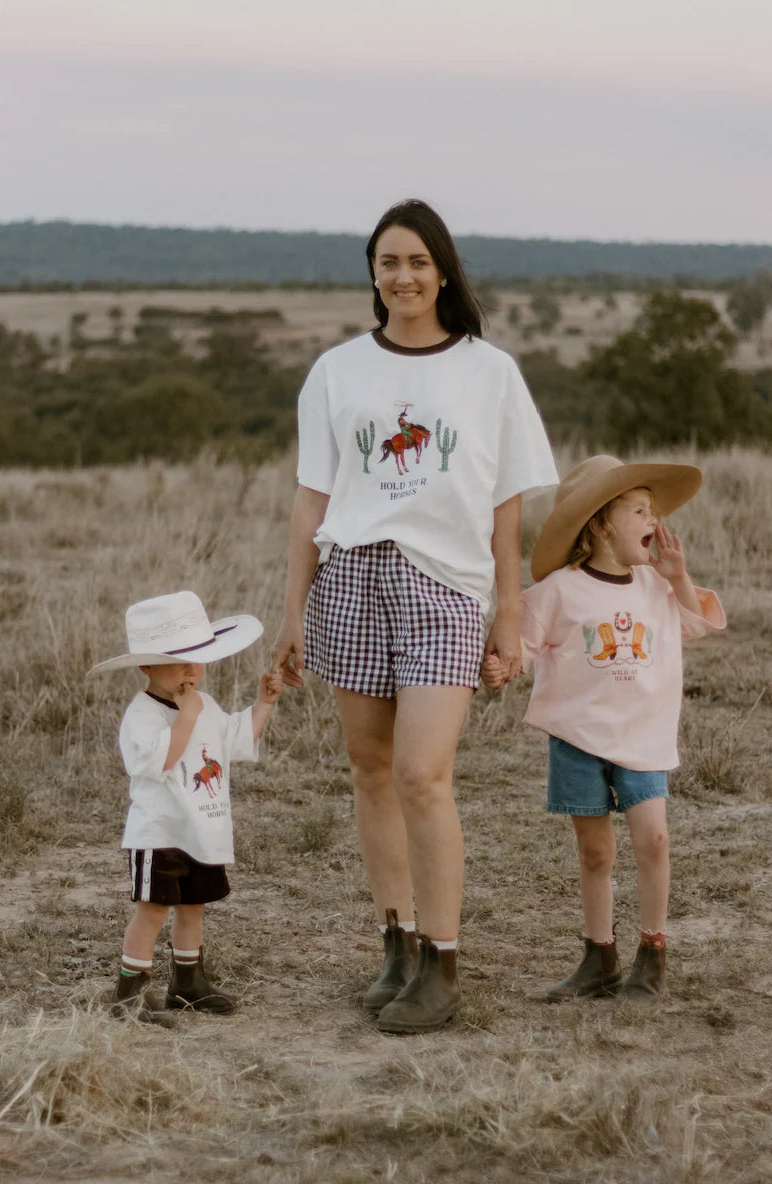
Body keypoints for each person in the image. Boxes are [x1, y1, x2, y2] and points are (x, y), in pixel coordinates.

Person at [272, 199, 558, 1033]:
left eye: (418, 262)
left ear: (443, 272)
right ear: (373, 272)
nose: (404, 276)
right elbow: (311, 501)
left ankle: (442, 959)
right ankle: (394, 938)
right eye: (388, 261)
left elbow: (505, 509)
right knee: (369, 771)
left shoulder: (488, 370)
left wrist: (509, 613)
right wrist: (293, 613)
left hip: (446, 585)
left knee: (422, 773)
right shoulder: (336, 371)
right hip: (354, 575)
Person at [482, 455, 726, 1001]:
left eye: (652, 510)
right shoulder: (558, 591)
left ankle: (653, 955)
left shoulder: (657, 585)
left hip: (643, 738)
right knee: (595, 853)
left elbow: (697, 624)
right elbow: (520, 642)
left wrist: (679, 576)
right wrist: (503, 663)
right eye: (639, 510)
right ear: (598, 525)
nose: (652, 519)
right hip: (578, 738)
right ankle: (599, 958)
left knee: (654, 840)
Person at [89, 590, 283, 1022]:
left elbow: (235, 739)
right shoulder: (142, 715)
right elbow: (160, 760)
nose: (190, 671)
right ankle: (129, 998)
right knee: (153, 909)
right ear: (147, 666)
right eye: (178, 662)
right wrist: (187, 716)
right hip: (159, 833)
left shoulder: (204, 705)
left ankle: (187, 983)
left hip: (201, 830)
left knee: (193, 906)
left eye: (197, 660)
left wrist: (264, 704)